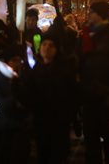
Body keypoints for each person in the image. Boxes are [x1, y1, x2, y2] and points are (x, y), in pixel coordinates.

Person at [78, 1, 109, 164]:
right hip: (88, 93)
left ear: (100, 14)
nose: (89, 15)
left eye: (92, 12)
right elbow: (80, 62)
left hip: (107, 94)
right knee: (90, 135)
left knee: (108, 133)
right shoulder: (85, 35)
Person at [26, 31, 78, 164]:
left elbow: (72, 95)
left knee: (57, 155)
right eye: (44, 44)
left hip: (59, 121)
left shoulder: (64, 70)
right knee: (43, 153)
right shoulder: (37, 69)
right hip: (41, 120)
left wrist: (71, 116)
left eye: (51, 45)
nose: (47, 48)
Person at [0, 44, 30, 164]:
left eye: (19, 60)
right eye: (14, 60)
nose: (17, 64)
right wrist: (14, 101)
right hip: (6, 126)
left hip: (22, 126)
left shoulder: (24, 79)